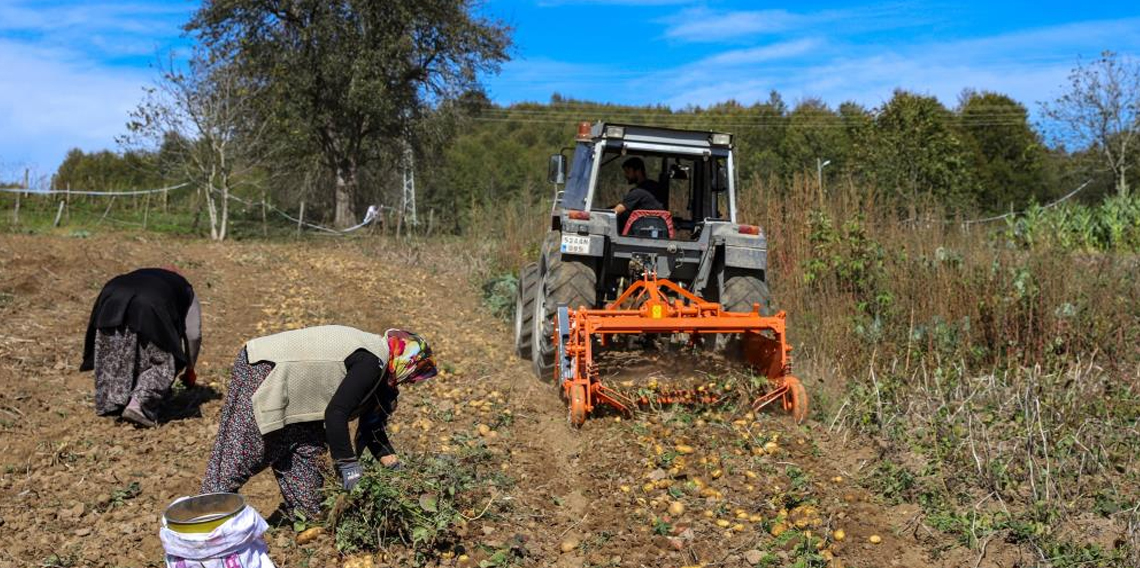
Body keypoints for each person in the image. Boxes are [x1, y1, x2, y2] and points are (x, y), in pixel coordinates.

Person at [200, 325, 437, 520]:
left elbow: (372, 428)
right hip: (265, 368)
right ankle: (204, 520)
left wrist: (397, 470)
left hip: (304, 396)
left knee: (308, 459)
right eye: (417, 371)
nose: (414, 381)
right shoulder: (372, 362)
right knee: (244, 451)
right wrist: (348, 466)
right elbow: (336, 413)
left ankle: (305, 516)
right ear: (407, 359)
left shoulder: (383, 375)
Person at [81, 267, 201, 428]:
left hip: (111, 295)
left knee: (113, 351)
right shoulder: (185, 289)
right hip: (149, 305)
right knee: (162, 362)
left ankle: (114, 402)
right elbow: (193, 334)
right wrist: (190, 367)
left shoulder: (142, 275)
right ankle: (138, 405)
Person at [613, 157, 665, 230]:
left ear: (638, 171)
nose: (626, 175)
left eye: (628, 172)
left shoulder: (639, 191)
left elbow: (615, 212)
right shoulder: (653, 186)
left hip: (641, 230)